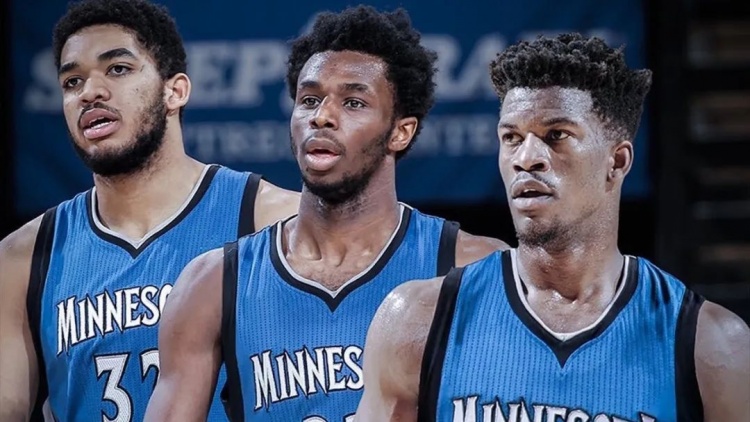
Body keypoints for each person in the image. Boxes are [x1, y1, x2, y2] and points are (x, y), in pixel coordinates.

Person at [355, 33, 750, 422]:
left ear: (617, 162)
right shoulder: (417, 320)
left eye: (556, 135)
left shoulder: (710, 346)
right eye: (511, 137)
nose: (526, 158)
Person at [143, 5, 509, 422]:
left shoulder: (472, 268)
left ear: (400, 131)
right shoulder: (213, 282)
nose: (322, 117)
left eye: (353, 102)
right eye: (310, 100)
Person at [0, 0, 300, 421]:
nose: (90, 92)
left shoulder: (272, 219)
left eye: (118, 69)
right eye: (72, 81)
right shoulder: (23, 258)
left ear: (174, 91)